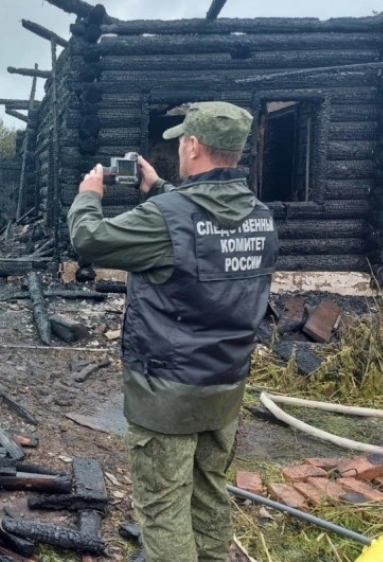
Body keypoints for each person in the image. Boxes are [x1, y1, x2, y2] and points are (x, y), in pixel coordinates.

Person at [67, 102, 279, 562]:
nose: (180, 146)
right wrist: (159, 187)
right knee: (210, 493)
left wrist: (88, 195)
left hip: (167, 391)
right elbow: (202, 228)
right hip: (225, 385)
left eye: (183, 139)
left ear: (194, 146)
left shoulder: (165, 216)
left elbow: (89, 240)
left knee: (162, 509)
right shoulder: (261, 216)